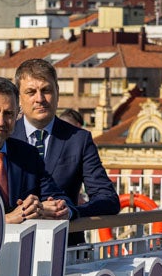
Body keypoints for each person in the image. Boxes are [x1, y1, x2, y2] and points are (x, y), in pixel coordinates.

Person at [11, 59, 119, 226]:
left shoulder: (79, 140)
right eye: (31, 92)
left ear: (57, 93)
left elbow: (107, 198)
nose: (40, 99)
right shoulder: (6, 137)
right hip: (14, 244)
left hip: (67, 244)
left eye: (46, 90)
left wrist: (70, 212)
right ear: (18, 97)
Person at [0, 77, 72, 225]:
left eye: (8, 114)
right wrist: (8, 219)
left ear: (17, 115)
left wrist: (58, 209)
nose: (1, 121)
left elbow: (58, 198)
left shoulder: (28, 155)